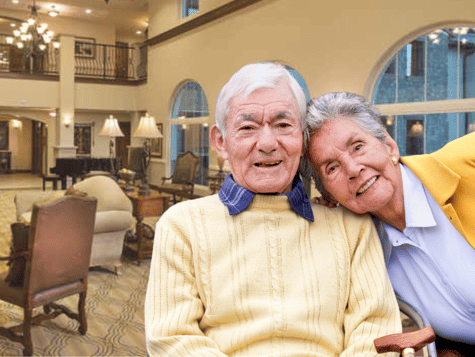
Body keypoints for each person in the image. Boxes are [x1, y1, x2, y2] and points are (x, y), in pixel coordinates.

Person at [144, 63, 401, 356]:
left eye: (282, 125)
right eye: (247, 127)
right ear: (221, 142)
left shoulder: (349, 226)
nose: (267, 143)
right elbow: (172, 337)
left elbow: (376, 330)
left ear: (301, 140)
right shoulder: (182, 226)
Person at [304, 91, 475, 357]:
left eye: (358, 147)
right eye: (332, 168)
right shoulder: (360, 243)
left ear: (389, 145)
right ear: (327, 192)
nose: (353, 169)